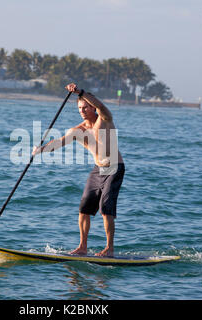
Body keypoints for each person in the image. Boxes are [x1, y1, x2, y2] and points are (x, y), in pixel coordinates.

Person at [32, 83, 125, 257]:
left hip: (114, 168)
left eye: (85, 107)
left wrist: (81, 92)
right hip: (98, 169)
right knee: (84, 209)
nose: (82, 111)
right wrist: (40, 150)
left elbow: (102, 106)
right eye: (80, 108)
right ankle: (82, 247)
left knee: (106, 208)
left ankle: (109, 249)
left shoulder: (104, 119)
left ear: (92, 107)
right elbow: (59, 142)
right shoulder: (77, 130)